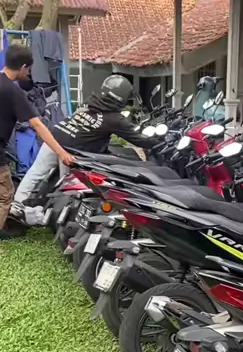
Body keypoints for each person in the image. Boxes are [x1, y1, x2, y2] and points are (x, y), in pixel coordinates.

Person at [14, 74, 153, 206]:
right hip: (70, 152)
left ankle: (16, 205)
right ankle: (58, 214)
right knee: (67, 188)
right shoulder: (115, 119)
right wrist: (159, 142)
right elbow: (138, 140)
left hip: (55, 138)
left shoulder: (90, 102)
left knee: (35, 173)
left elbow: (90, 132)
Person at [0, 43, 73, 235]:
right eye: (29, 70)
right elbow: (37, 125)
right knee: (5, 195)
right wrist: (61, 153)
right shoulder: (13, 92)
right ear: (23, 66)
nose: (28, 74)